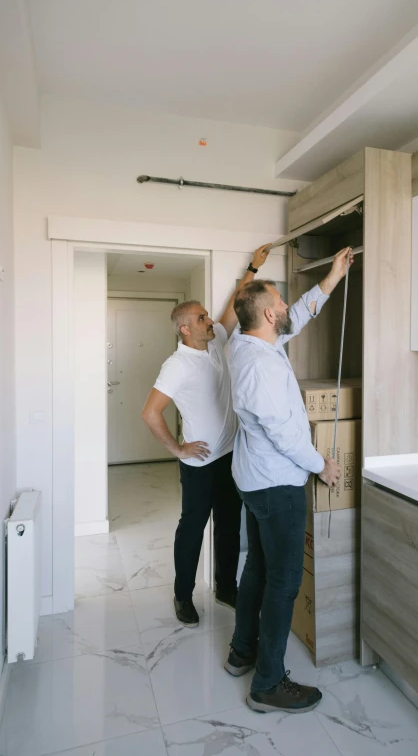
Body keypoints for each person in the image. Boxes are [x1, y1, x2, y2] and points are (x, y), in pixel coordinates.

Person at [224, 247, 353, 713]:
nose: (285, 306)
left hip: (255, 480)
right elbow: (281, 433)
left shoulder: (248, 341)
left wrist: (333, 276)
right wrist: (324, 465)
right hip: (275, 484)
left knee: (258, 566)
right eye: (279, 301)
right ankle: (268, 683)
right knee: (282, 581)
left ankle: (243, 651)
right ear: (266, 314)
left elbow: (297, 317)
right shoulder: (258, 364)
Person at [142, 243, 271, 627]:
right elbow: (150, 413)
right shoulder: (176, 365)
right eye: (201, 318)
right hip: (199, 463)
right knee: (193, 529)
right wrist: (178, 449)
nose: (208, 321)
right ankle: (183, 595)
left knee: (229, 526)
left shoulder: (214, 342)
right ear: (185, 328)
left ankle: (225, 588)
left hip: (230, 455)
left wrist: (251, 267)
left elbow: (231, 308)